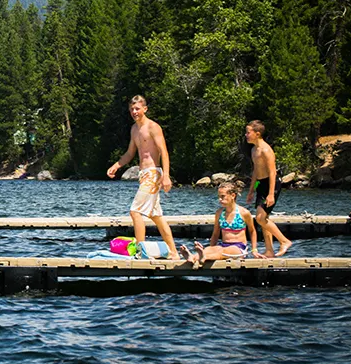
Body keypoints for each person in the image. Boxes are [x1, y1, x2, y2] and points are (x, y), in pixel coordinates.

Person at [107, 95, 177, 258]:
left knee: (135, 211)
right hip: (143, 174)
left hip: (153, 173)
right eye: (132, 109)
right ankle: (173, 252)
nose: (134, 112)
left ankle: (140, 251)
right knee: (156, 215)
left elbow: (164, 152)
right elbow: (130, 153)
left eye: (137, 108)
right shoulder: (134, 129)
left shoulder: (153, 127)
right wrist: (116, 165)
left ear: (145, 109)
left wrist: (166, 176)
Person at [179, 182, 262, 265]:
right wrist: (211, 247)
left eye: (222, 196)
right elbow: (215, 234)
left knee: (224, 251)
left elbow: (252, 231)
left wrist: (254, 250)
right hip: (223, 244)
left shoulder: (244, 213)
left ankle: (205, 256)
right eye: (219, 197)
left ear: (233, 196)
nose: (220, 199)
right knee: (208, 249)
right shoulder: (219, 213)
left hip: (238, 247)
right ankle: (192, 257)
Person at [245, 120, 292, 256]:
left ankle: (284, 241)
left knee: (260, 218)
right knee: (264, 219)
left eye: (248, 133)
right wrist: (251, 190)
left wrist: (271, 194)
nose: (246, 135)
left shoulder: (266, 150)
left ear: (257, 134)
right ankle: (269, 250)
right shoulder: (254, 150)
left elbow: (272, 172)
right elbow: (256, 172)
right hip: (261, 184)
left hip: (272, 184)